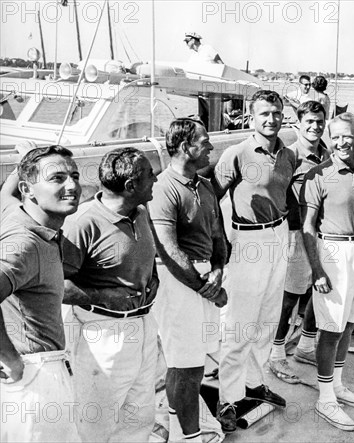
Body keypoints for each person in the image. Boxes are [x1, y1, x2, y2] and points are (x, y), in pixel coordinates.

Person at [61, 147, 159, 442]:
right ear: (130, 186)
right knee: (97, 422)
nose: (156, 178)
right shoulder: (82, 223)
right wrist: (104, 297)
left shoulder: (140, 211)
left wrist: (152, 279)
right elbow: (58, 285)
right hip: (104, 334)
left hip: (143, 325)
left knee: (140, 416)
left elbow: (144, 256)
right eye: (150, 174)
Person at [213, 90, 295, 433]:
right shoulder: (236, 154)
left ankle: (254, 383)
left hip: (279, 235)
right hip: (248, 240)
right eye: (264, 114)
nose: (271, 119)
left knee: (266, 319)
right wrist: (221, 243)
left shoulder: (289, 154)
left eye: (276, 113)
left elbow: (287, 193)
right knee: (239, 323)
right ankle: (227, 398)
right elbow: (210, 196)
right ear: (251, 117)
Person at [301, 112, 354, 431]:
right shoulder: (319, 175)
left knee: (349, 323)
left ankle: (336, 384)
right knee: (331, 328)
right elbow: (307, 226)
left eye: (347, 135)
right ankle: (325, 399)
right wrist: (317, 269)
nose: (341, 142)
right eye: (335, 137)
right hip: (333, 252)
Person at [148, 118, 227, 443]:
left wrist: (219, 270)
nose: (210, 146)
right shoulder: (162, 189)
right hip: (178, 284)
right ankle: (189, 437)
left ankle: (179, 425)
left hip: (204, 278)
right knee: (184, 366)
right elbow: (168, 251)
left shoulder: (204, 185)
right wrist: (209, 290)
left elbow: (219, 237)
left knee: (194, 365)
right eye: (205, 141)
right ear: (185, 148)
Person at [0, 145, 81, 442]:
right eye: (57, 178)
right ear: (28, 189)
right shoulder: (26, 243)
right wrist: (9, 359)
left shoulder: (15, 213)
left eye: (74, 175)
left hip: (40, 375)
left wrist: (23, 163)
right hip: (36, 378)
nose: (72, 185)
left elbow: (4, 197)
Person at [268, 101, 329, 383]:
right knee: (289, 296)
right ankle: (276, 353)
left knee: (320, 291)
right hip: (296, 233)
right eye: (309, 121)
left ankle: (305, 345)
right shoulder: (289, 156)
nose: (315, 126)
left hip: (323, 233)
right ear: (298, 123)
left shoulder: (327, 154)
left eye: (320, 121)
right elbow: (275, 196)